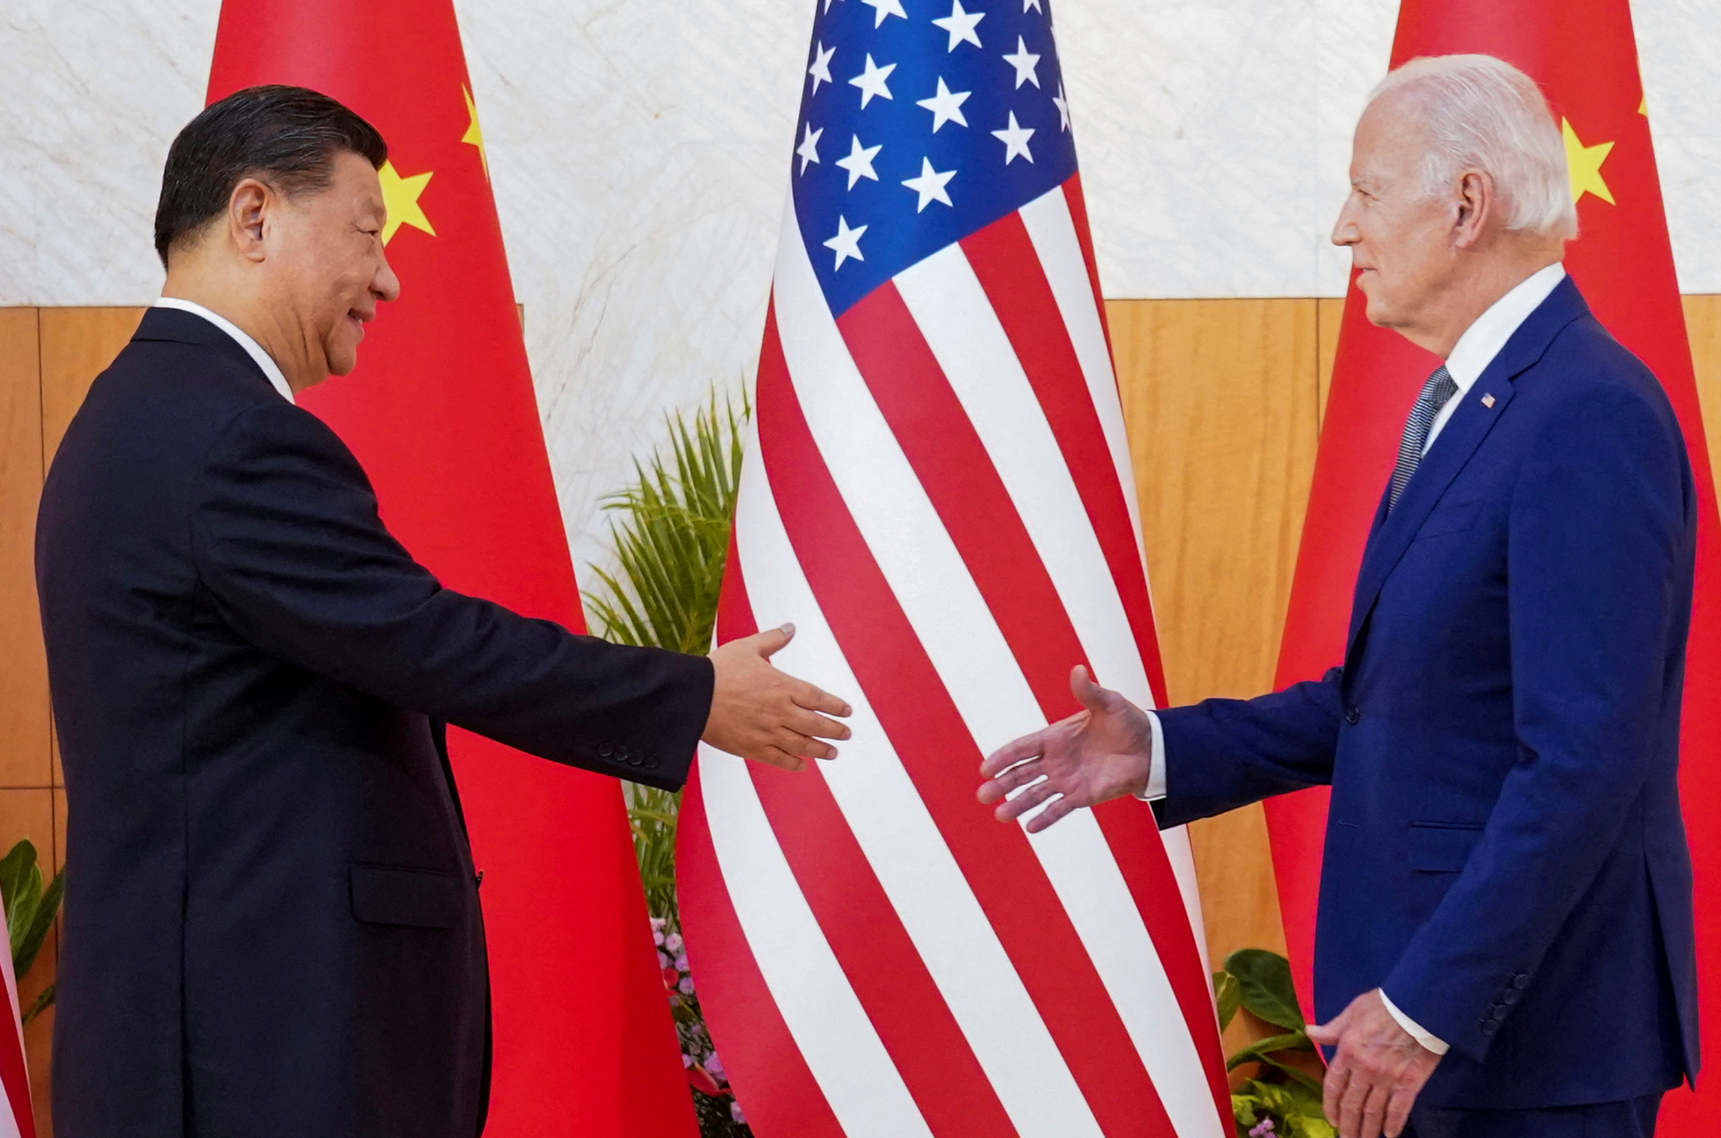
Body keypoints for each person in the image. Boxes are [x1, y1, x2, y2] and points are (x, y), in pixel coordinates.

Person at [35, 85, 851, 1138]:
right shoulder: (229, 438)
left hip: (207, 1028)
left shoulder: (134, 415)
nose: (387, 275)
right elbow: (430, 643)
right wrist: (692, 695)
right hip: (254, 1048)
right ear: (254, 217)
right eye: (366, 233)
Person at [978, 54, 1696, 1138]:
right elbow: (1393, 700)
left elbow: (1581, 761)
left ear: (1465, 205)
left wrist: (1425, 1008)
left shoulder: (1584, 411)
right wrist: (1159, 749)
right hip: (1445, 1033)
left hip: (1522, 1042)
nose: (1340, 229)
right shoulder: (1481, 401)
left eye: (1364, 190)